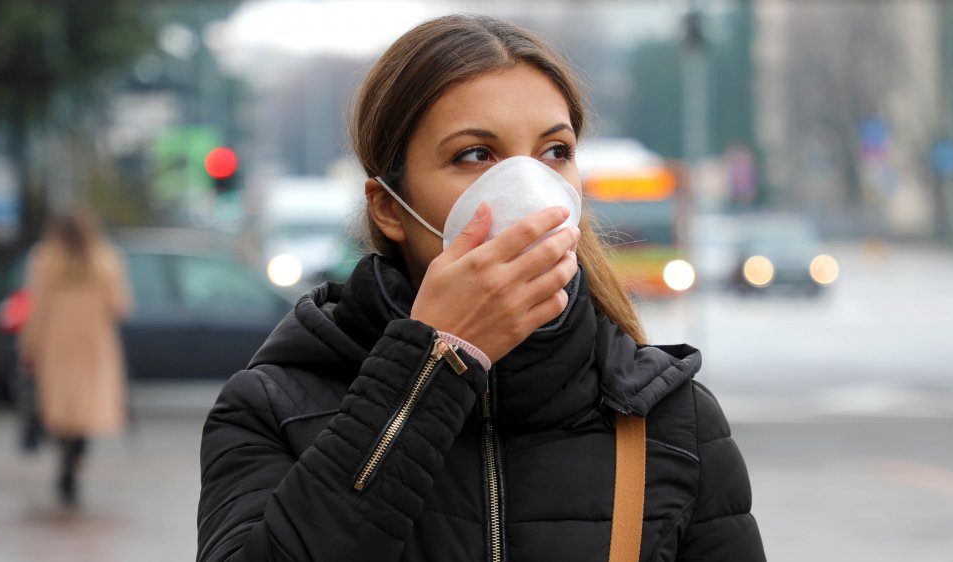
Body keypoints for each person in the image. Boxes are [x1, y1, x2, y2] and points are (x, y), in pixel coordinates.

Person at [197, 14, 765, 561]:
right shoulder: (272, 407)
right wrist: (432, 365)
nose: (529, 188)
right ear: (389, 209)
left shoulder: (672, 420)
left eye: (554, 152)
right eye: (475, 154)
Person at [19, 207, 133, 506]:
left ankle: (65, 456)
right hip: (95, 345)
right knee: (86, 410)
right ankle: (74, 462)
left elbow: (37, 310)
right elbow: (120, 306)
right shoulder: (107, 260)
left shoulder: (44, 260)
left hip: (56, 344)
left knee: (61, 409)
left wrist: (29, 346)